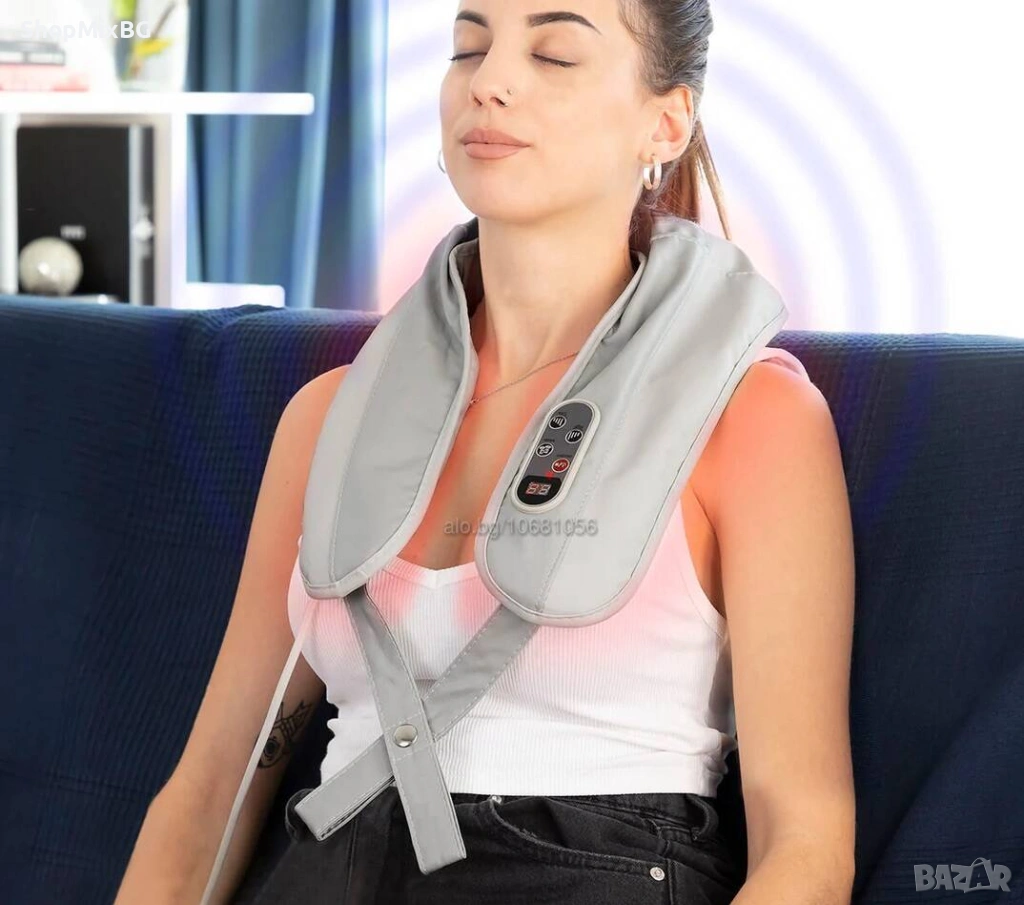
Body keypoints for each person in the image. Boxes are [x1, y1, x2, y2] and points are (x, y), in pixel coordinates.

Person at [115, 2, 857, 903]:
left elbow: (807, 845)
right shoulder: (325, 422)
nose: (490, 81)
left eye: (553, 54)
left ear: (666, 122)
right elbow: (208, 794)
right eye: (469, 47)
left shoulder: (751, 417)